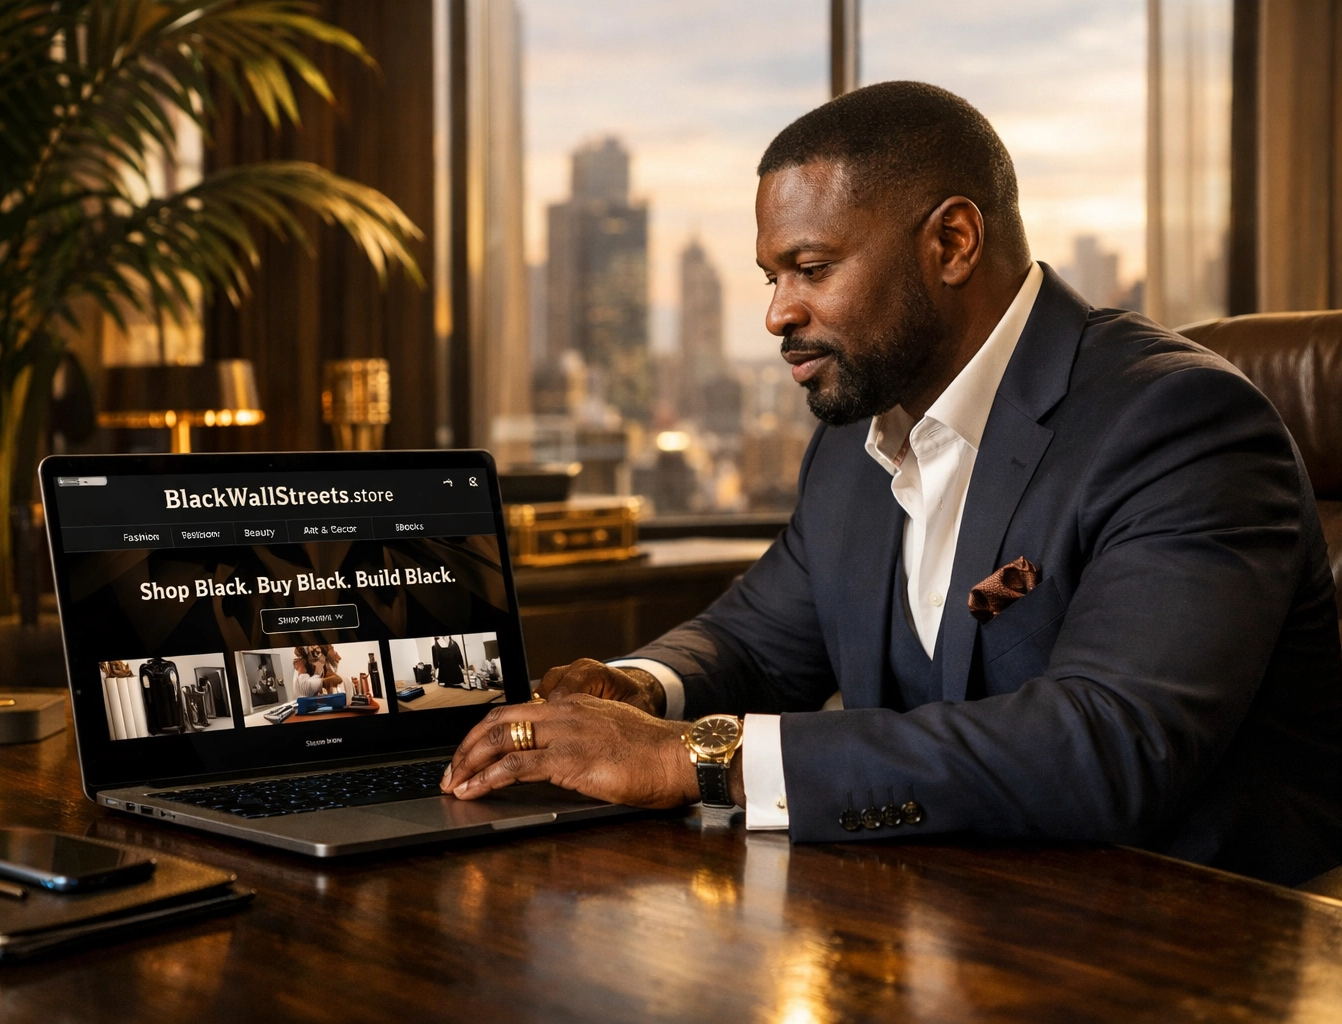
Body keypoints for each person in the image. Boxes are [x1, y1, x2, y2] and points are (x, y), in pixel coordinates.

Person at [442, 81, 1342, 886]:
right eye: (770, 275)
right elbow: (759, 638)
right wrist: (638, 690)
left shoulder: (1179, 421)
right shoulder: (859, 435)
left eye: (812, 268)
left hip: (1183, 941)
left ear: (951, 241)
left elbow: (1105, 746)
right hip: (943, 917)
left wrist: (693, 755)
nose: (777, 313)